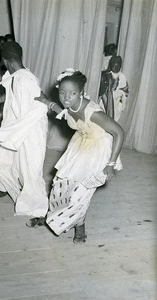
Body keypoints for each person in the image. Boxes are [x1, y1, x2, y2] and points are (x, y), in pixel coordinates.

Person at [40, 68, 124, 243]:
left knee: (80, 193)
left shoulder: (93, 112)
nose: (66, 97)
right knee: (60, 185)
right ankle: (53, 217)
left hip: (99, 150)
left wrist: (110, 164)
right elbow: (63, 113)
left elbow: (119, 132)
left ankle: (80, 226)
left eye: (72, 93)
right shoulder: (69, 105)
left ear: (81, 93)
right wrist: (47, 102)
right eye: (62, 93)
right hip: (81, 144)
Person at [0, 40, 49, 220]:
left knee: (31, 172)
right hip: (14, 130)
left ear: (4, 60)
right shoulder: (14, 76)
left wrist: (15, 129)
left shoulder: (26, 79)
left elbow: (42, 105)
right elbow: (9, 95)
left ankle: (40, 211)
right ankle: (16, 193)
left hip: (31, 131)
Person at [99, 56, 129, 121]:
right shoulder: (106, 75)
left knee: (113, 120)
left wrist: (123, 103)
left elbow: (125, 91)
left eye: (117, 66)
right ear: (110, 65)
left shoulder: (122, 76)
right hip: (105, 101)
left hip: (117, 103)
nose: (115, 68)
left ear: (120, 66)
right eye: (114, 65)